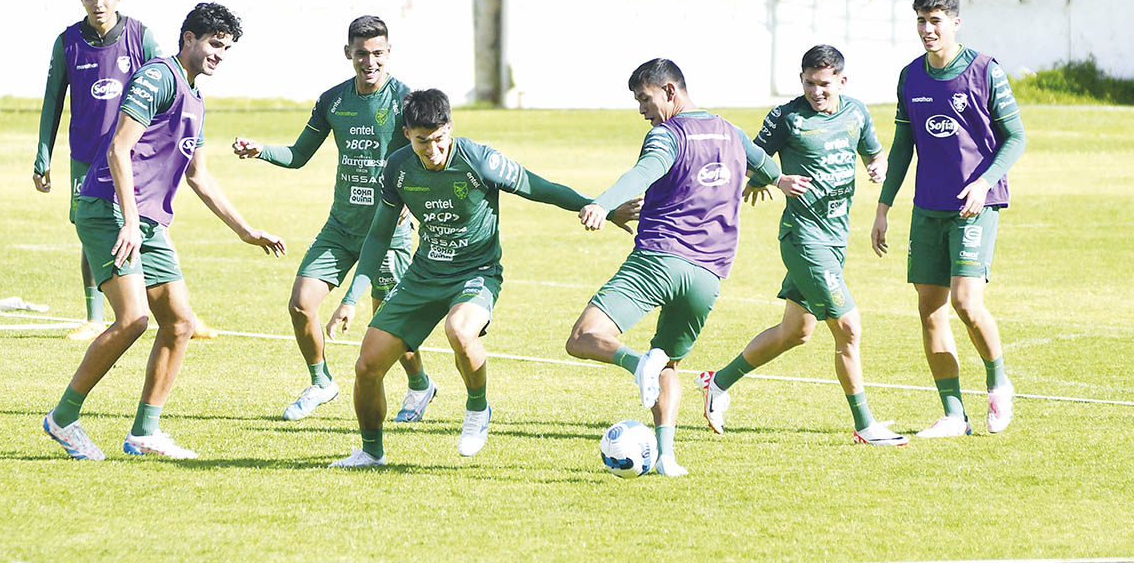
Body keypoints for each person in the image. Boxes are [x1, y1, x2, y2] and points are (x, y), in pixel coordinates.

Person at [42, 3, 285, 461]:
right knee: (133, 319)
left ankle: (143, 433)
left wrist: (246, 231)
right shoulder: (158, 77)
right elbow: (118, 149)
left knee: (179, 323)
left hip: (147, 222)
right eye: (214, 44)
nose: (220, 54)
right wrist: (131, 223)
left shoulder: (196, 98)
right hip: (107, 209)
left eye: (227, 48)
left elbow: (199, 176)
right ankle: (63, 418)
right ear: (189, 38)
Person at [328, 89, 615, 468]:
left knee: (460, 331)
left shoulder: (480, 160)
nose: (431, 150)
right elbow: (379, 235)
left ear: (450, 129)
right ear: (407, 134)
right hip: (423, 274)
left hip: (476, 272)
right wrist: (351, 298)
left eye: (439, 139)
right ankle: (371, 452)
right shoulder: (397, 167)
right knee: (367, 366)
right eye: (421, 141)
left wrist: (597, 206)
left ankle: (478, 411)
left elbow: (538, 186)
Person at [565, 58, 787, 476]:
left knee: (583, 338)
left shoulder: (667, 135)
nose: (641, 110)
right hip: (708, 276)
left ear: (670, 91)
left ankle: (635, 363)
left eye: (644, 98)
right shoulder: (729, 130)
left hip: (659, 259)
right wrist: (776, 181)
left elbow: (643, 173)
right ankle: (667, 457)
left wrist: (603, 203)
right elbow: (767, 165)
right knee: (667, 363)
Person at [695, 45, 907, 447]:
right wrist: (772, 180)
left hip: (835, 239)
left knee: (796, 331)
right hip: (803, 238)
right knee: (848, 327)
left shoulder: (857, 113)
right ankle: (865, 426)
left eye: (824, 84)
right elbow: (751, 158)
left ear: (842, 81)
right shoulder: (787, 117)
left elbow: (873, 154)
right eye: (809, 83)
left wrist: (876, 165)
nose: (817, 91)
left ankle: (717, 383)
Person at [232, 15, 437, 423]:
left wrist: (414, 204)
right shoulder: (333, 101)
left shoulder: (406, 100)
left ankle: (419, 385)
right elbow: (298, 154)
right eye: (362, 54)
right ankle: (321, 381)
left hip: (389, 230)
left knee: (389, 324)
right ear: (349, 54)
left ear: (389, 53)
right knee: (300, 304)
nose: (370, 61)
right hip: (341, 226)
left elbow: (429, 154)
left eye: (378, 53)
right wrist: (263, 151)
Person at [33, 0, 219, 342]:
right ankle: (94, 317)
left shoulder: (140, 37)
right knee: (92, 232)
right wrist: (43, 154)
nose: (98, 3)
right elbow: (53, 99)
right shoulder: (67, 41)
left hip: (135, 156)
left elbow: (172, 81)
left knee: (151, 226)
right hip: (88, 156)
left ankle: (183, 311)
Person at [871, 0, 1025, 437]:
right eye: (921, 20)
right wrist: (883, 208)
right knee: (929, 308)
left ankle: (999, 384)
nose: (927, 29)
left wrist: (983, 182)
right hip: (928, 207)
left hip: (974, 205)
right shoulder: (910, 76)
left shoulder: (985, 71)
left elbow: (1015, 137)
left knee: (965, 302)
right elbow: (903, 145)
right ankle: (954, 415)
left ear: (955, 22)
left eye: (936, 20)